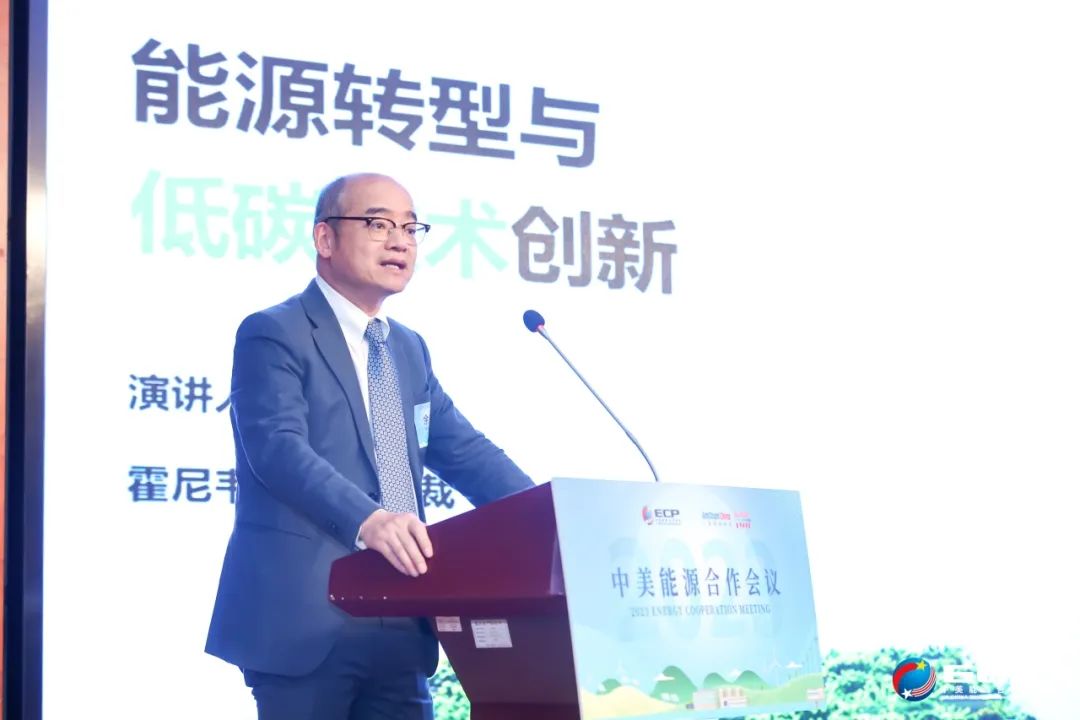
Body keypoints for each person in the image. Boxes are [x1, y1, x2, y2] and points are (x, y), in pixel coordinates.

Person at [205, 172, 534, 719]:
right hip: (305, 620)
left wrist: (546, 515)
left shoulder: (407, 349)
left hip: (401, 616)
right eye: (379, 224)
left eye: (410, 228)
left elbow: (464, 451)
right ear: (325, 238)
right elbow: (277, 449)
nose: (400, 241)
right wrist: (371, 520)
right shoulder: (274, 332)